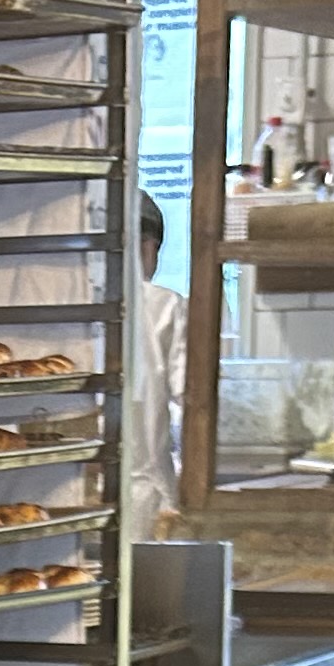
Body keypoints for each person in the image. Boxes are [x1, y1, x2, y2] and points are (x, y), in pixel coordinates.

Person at [129, 190, 186, 527]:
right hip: (142, 498)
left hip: (61, 487)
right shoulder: (164, 305)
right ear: (148, 247)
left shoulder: (66, 301)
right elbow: (190, 394)